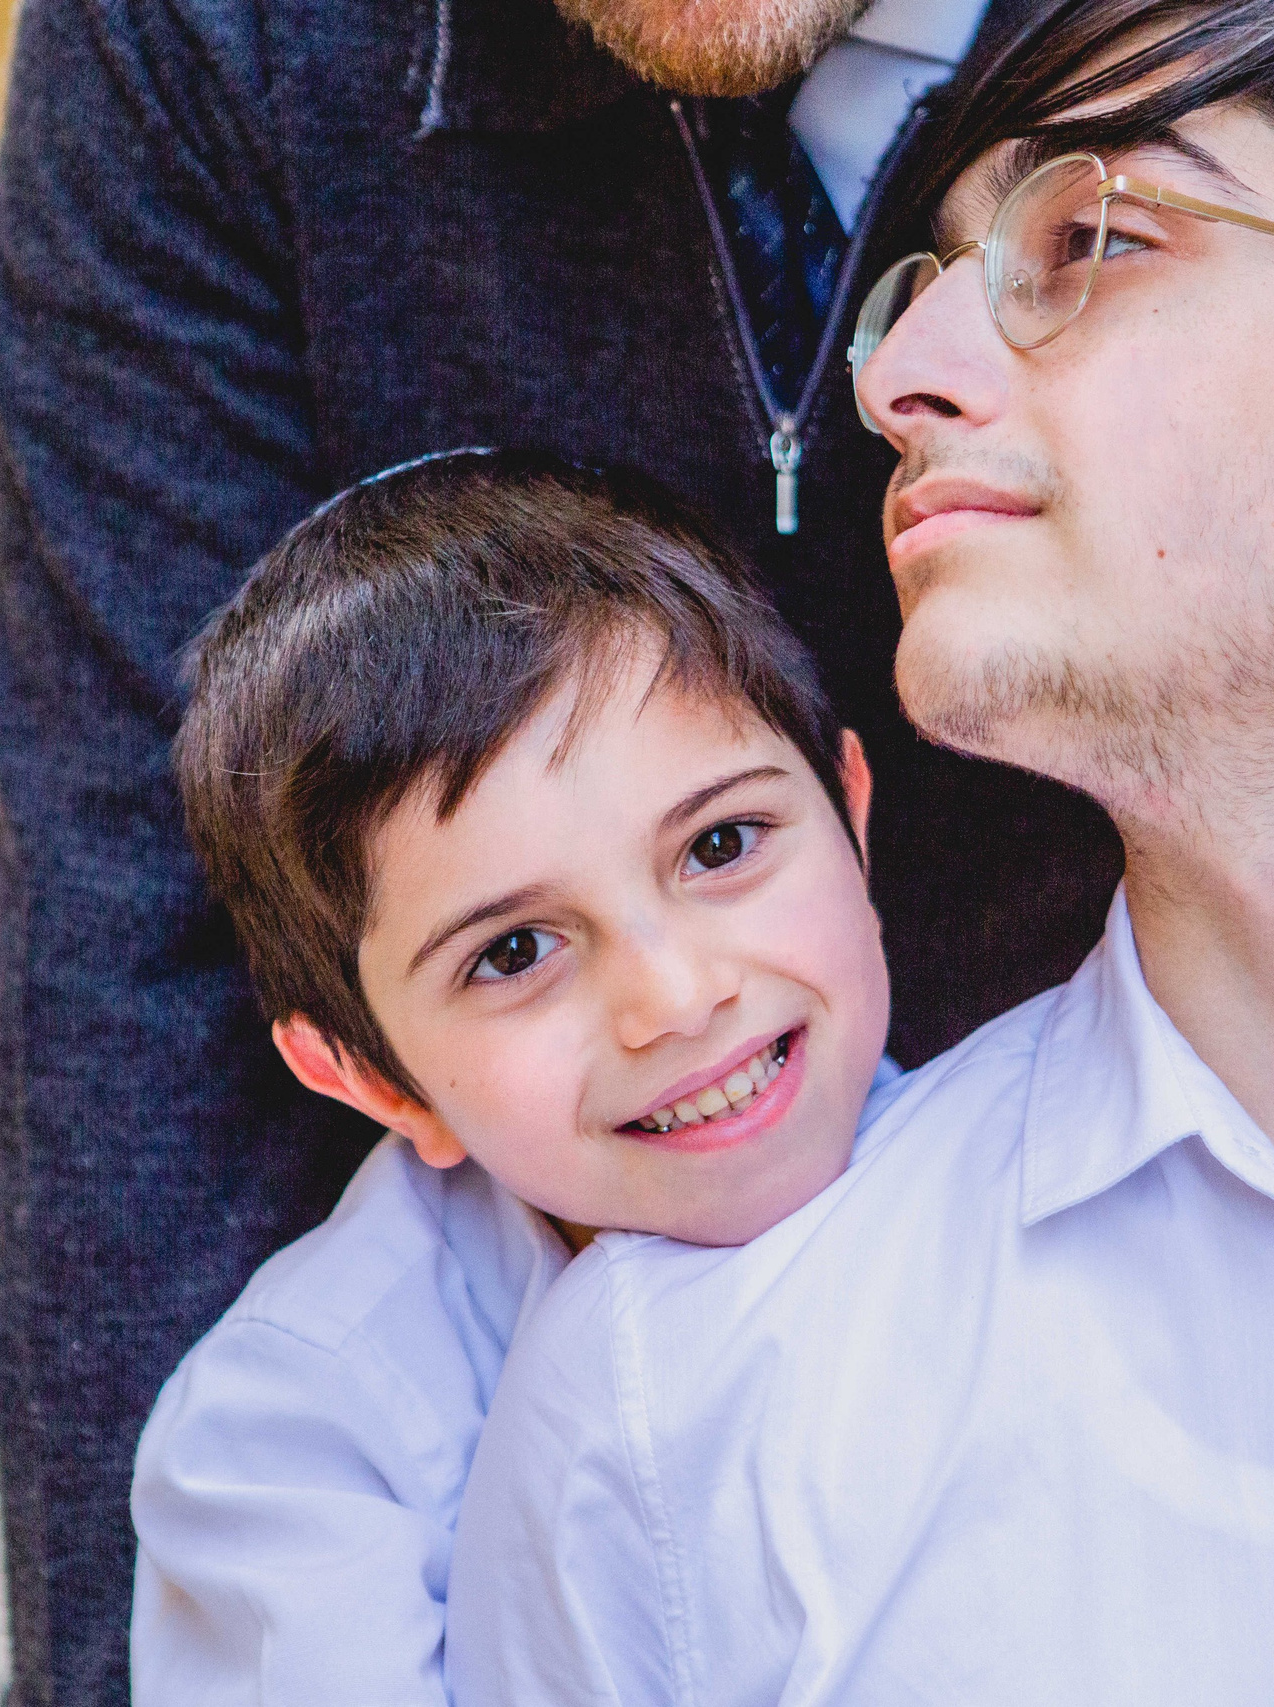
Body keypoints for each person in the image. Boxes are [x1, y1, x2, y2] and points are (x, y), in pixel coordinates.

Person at [0, 0, 1274, 1700]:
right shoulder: (658, 1425)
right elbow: (134, 964)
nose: (898, 382)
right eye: (942, 278)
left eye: (1091, 241)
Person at [130, 450, 903, 1702]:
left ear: (852, 820)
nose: (676, 999)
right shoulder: (298, 1445)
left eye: (720, 844)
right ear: (374, 1080)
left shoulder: (1049, 1179)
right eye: (514, 953)